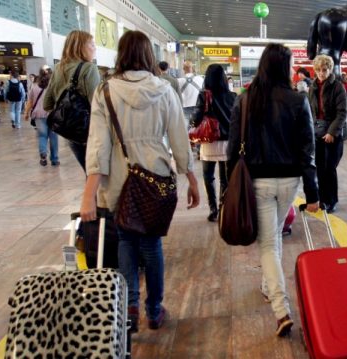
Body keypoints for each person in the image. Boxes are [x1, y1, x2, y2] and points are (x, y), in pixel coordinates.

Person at [80, 30, 200, 333]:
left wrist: (89, 194)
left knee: (125, 241)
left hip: (119, 179)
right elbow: (179, 139)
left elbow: (98, 146)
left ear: (121, 54)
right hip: (155, 178)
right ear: (148, 55)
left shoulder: (105, 92)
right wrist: (191, 177)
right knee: (151, 245)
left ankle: (129, 307)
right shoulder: (164, 90)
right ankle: (154, 309)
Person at [227, 43, 319, 337]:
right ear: (284, 67)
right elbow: (308, 149)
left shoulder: (245, 100)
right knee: (274, 235)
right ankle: (269, 285)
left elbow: (232, 149)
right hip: (289, 182)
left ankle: (281, 309)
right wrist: (313, 191)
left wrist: (230, 185)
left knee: (268, 243)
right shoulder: (297, 100)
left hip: (258, 181)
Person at [44, 30, 101, 173]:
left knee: (90, 175)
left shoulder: (58, 68)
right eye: (92, 44)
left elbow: (47, 104)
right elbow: (97, 106)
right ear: (81, 47)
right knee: (99, 179)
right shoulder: (89, 68)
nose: (95, 48)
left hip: (71, 133)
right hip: (91, 132)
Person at [192, 64, 236, 222]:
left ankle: (213, 210)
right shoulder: (232, 96)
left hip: (209, 142)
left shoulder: (204, 95)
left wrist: (192, 124)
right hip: (227, 143)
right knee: (225, 179)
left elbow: (196, 117)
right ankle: (223, 207)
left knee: (208, 177)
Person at [308, 54, 347, 213]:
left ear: (330, 69)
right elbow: (311, 111)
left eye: (324, 70)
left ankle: (331, 200)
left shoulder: (337, 87)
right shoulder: (312, 86)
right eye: (318, 70)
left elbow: (342, 113)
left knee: (329, 168)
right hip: (316, 132)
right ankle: (322, 199)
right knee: (319, 168)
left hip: (333, 132)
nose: (321, 73)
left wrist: (332, 132)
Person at [25, 67, 59, 166]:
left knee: (42, 136)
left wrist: (26, 113)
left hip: (38, 115)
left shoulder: (34, 87)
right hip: (52, 115)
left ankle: (43, 155)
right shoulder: (54, 86)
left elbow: (30, 102)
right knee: (53, 137)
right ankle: (54, 159)